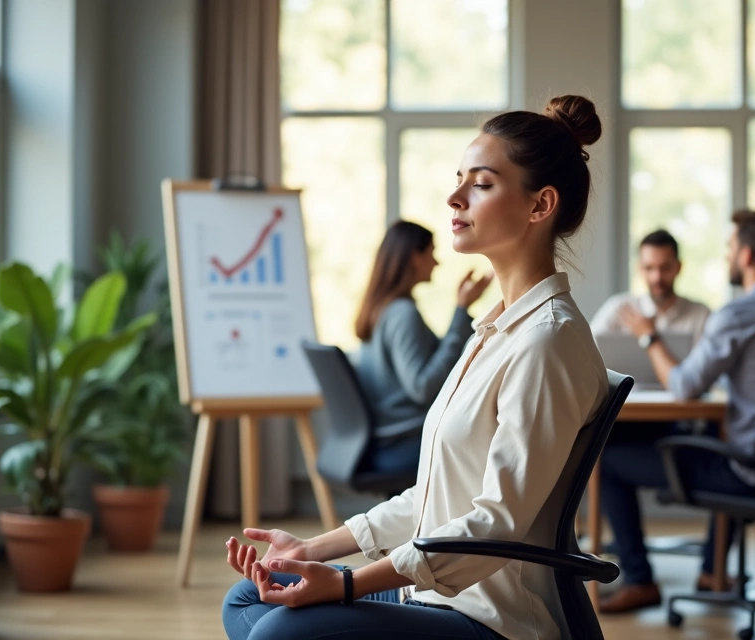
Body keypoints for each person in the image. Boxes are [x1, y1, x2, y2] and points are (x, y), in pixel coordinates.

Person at [222, 94, 609, 640]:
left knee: (276, 631)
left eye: (481, 183)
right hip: (430, 591)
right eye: (459, 178)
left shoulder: (548, 342)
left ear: (539, 205)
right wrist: (312, 550)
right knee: (247, 600)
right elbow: (429, 498)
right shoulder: (494, 331)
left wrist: (348, 585)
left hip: (491, 619)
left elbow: (495, 525)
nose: (454, 196)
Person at [597, 209, 755, 614]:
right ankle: (712, 569)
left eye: (729, 247)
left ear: (745, 256)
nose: (726, 256)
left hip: (743, 469)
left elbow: (685, 386)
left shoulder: (738, 314)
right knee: (719, 436)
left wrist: (649, 337)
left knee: (608, 459)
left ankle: (639, 580)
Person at [352, 220, 493, 475]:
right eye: (431, 253)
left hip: (385, 438)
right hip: (403, 440)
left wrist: (461, 309)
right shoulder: (402, 314)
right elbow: (423, 387)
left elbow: (429, 356)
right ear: (414, 258)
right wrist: (461, 311)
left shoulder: (383, 309)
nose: (436, 262)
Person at [589, 229, 710, 343]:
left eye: (665, 268)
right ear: (640, 269)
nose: (657, 277)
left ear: (678, 267)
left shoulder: (701, 316)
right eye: (649, 268)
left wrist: (647, 335)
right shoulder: (617, 309)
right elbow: (585, 349)